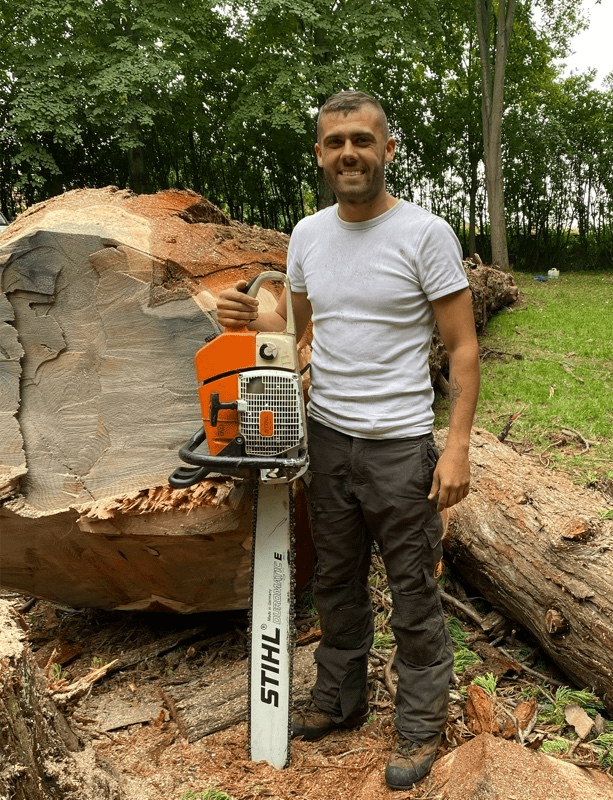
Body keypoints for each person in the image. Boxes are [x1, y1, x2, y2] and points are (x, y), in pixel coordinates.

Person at [216, 90, 480, 790]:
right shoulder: (306, 236)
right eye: (335, 143)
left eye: (362, 140)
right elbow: (300, 336)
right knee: (334, 582)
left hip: (399, 446)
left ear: (387, 149)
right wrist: (247, 321)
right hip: (327, 441)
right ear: (320, 155)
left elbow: (463, 350)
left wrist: (454, 447)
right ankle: (340, 698)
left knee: (412, 590)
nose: (349, 153)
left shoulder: (426, 235)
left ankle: (421, 723)